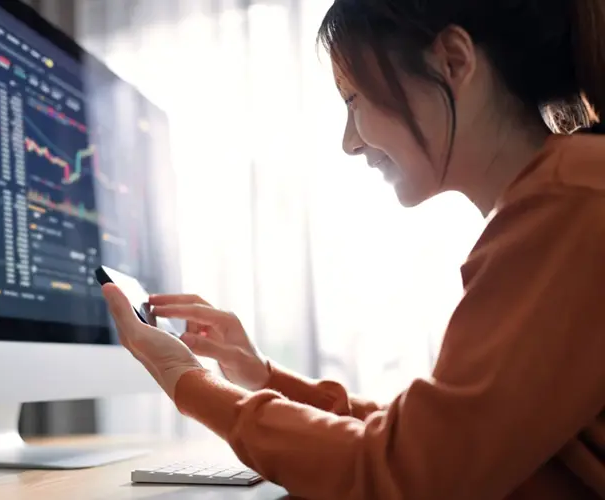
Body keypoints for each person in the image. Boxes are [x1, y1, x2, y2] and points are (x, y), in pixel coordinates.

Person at [101, 0, 605, 498]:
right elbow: (433, 439)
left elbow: (406, 474)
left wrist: (187, 381)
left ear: (453, 61)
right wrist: (263, 376)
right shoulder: (564, 194)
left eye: (354, 100)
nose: (349, 142)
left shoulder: (569, 200)